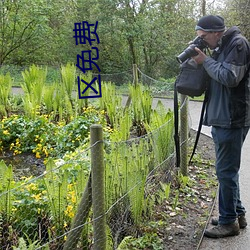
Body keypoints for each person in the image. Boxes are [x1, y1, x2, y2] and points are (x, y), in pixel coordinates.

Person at [192, 15, 250, 238]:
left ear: (216, 32)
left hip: (232, 118)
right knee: (227, 171)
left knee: (225, 171)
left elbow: (229, 77)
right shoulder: (221, 46)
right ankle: (237, 214)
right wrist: (202, 59)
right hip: (222, 117)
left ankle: (228, 223)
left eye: (204, 37)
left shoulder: (238, 44)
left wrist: (205, 61)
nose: (203, 41)